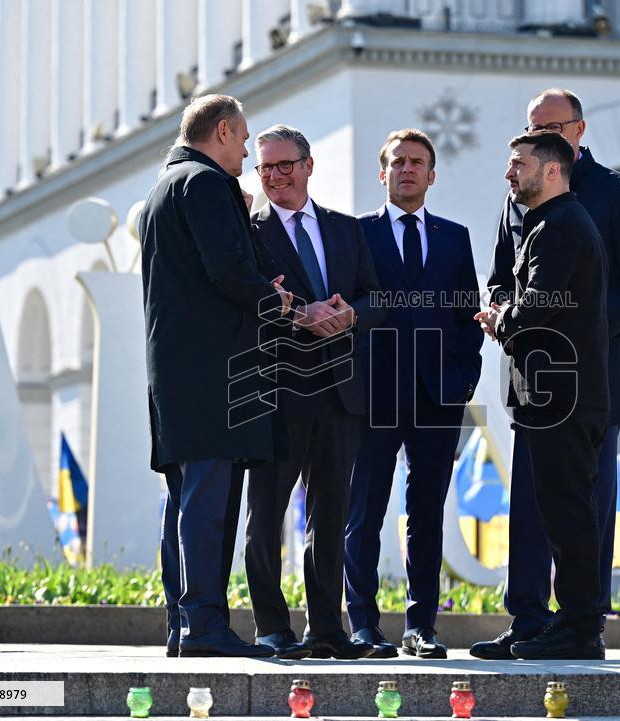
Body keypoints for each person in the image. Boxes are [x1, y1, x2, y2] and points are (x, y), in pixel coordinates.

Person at [473, 89, 620, 659]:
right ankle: (529, 619)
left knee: (583, 504)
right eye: (532, 125)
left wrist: (577, 327)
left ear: (577, 131)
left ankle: (583, 622)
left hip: (590, 375)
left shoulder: (616, 194)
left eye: (551, 126)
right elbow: (504, 275)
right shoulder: (522, 195)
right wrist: (512, 315)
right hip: (533, 374)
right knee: (534, 503)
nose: (538, 136)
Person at [138, 94, 291, 658]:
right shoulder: (204, 184)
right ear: (223, 130)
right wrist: (282, 303)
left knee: (186, 499)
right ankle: (203, 626)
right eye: (245, 138)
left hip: (180, 372)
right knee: (208, 503)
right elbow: (228, 270)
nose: (248, 150)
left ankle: (185, 622)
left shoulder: (164, 186)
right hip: (215, 371)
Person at [245, 124, 383, 660]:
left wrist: (350, 315)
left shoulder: (346, 230)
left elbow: (377, 299)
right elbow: (246, 307)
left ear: (308, 166)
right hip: (277, 392)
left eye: (285, 165)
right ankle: (271, 628)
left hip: (340, 394)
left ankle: (326, 629)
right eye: (265, 168)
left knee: (330, 516)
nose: (276, 176)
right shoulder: (249, 233)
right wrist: (301, 317)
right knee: (268, 515)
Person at [344, 129, 483, 659]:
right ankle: (363, 625)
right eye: (397, 161)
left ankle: (421, 627)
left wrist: (462, 381)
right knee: (365, 513)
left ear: (432, 174)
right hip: (374, 398)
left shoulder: (454, 237)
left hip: (437, 398)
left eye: (417, 162)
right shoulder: (357, 234)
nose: (407, 169)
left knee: (427, 515)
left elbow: (467, 316)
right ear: (382, 173)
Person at [475, 131, 609, 659]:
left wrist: (500, 320)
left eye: (518, 164)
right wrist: (507, 312)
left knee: (568, 512)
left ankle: (579, 628)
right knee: (557, 511)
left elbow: (537, 307)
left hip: (564, 398)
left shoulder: (560, 226)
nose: (509, 173)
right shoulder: (546, 223)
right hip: (548, 396)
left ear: (552, 170)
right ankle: (552, 624)